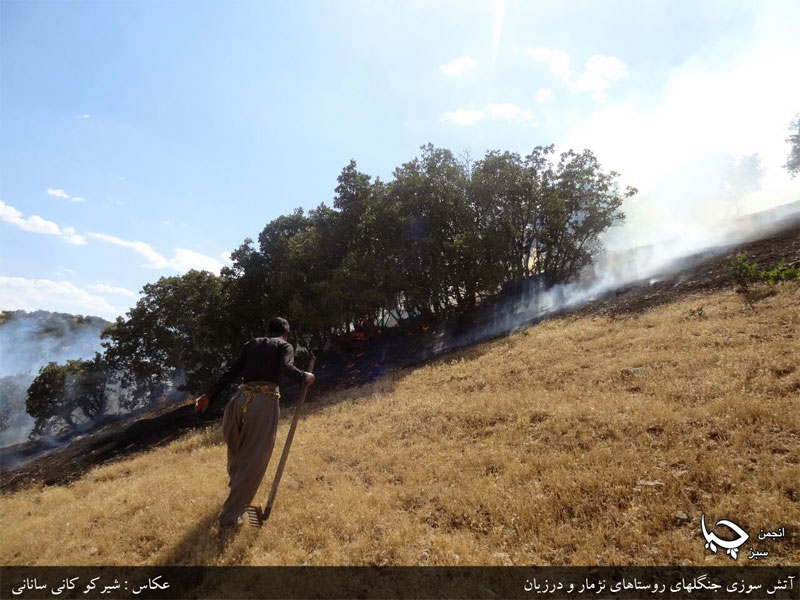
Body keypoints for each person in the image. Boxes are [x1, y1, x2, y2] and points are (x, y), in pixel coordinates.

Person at [193, 317, 314, 530]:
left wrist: (208, 395)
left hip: (237, 402)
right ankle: (229, 519)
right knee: (254, 460)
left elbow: (230, 373)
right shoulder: (284, 345)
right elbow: (286, 367)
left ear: (267, 331)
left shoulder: (251, 345)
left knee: (237, 456)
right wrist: (305, 376)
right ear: (285, 333)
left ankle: (237, 496)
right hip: (263, 402)